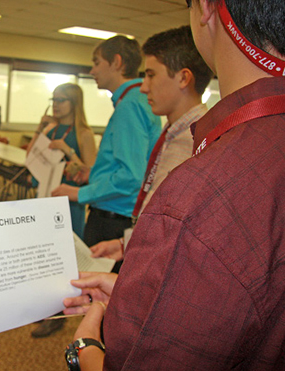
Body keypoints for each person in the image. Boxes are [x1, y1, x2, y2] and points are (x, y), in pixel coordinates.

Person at [63, 0, 285, 371]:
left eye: (151, 75)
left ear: (206, 8)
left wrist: (84, 346)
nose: (146, 86)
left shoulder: (203, 192)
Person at [90, 25, 213, 262]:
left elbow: (177, 236)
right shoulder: (173, 134)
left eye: (151, 75)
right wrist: (125, 244)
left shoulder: (197, 142)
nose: (144, 86)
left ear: (183, 78)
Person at [52, 36, 161, 268]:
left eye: (97, 62)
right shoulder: (136, 100)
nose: (92, 70)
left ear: (117, 62)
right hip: (121, 215)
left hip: (113, 219)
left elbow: (131, 176)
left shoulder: (129, 105)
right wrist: (92, 174)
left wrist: (78, 194)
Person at [27, 83, 97, 338]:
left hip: (68, 205)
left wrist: (67, 151)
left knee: (62, 260)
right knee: (43, 257)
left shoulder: (84, 134)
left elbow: (92, 176)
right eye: (53, 99)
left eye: (62, 100)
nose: (56, 104)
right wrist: (39, 128)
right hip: (44, 200)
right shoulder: (51, 128)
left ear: (75, 103)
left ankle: (58, 313)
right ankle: (47, 307)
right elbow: (31, 159)